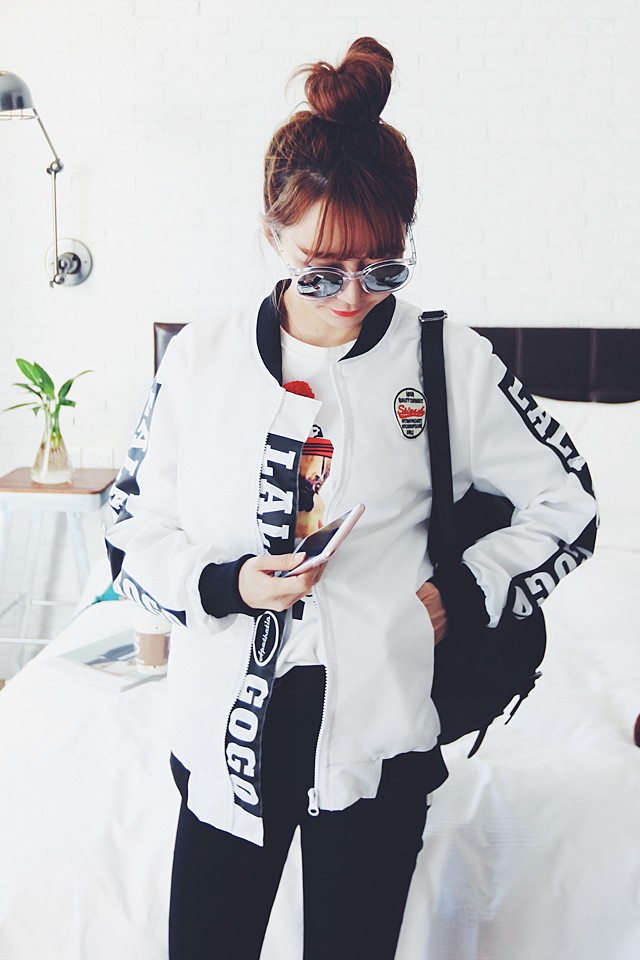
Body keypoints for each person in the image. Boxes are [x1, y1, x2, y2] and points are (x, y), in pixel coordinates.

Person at [104, 36, 598, 960]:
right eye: (322, 268)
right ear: (271, 235)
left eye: (384, 268)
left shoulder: (448, 361)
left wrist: (464, 590)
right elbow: (129, 530)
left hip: (381, 735)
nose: (353, 295)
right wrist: (228, 584)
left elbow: (569, 502)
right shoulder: (201, 361)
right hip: (227, 735)